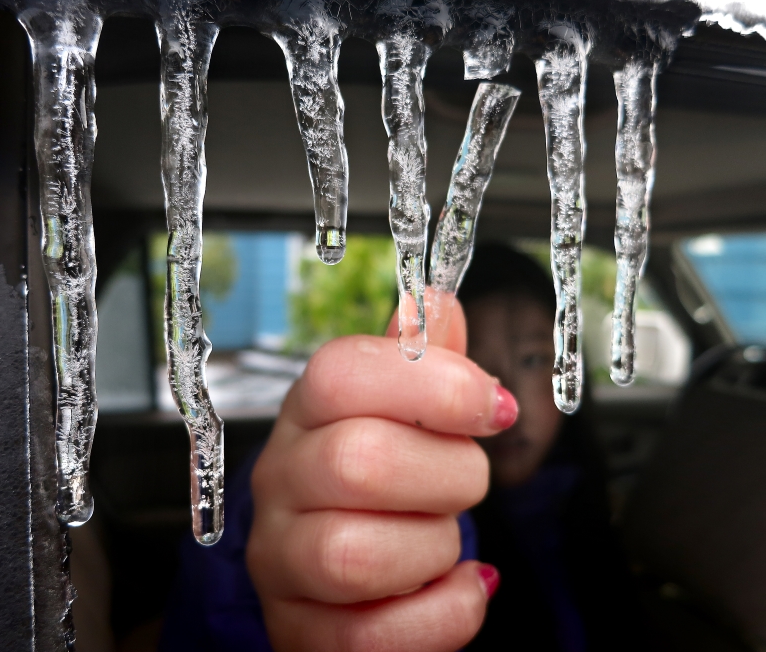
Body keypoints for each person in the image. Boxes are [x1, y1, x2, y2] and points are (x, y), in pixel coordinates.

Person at [159, 243, 643, 652]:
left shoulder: (586, 501)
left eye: (536, 358)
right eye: (474, 362)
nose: (507, 393)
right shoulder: (389, 500)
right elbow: (237, 577)